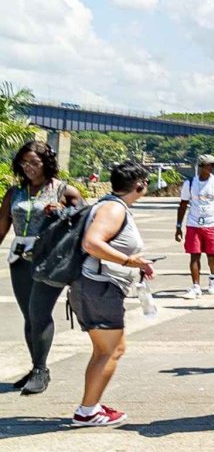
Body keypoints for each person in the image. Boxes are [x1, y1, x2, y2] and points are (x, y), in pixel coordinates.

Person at [68, 160, 153, 426]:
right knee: (111, 350)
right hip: (99, 287)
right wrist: (129, 262)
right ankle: (87, 410)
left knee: (105, 350)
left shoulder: (110, 205)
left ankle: (91, 405)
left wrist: (134, 263)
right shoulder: (114, 209)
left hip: (95, 286)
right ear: (139, 185)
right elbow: (92, 243)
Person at [0, 140, 83, 395]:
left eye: (34, 163)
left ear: (46, 163)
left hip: (49, 260)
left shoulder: (64, 191)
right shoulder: (14, 192)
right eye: (24, 163)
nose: (29, 168)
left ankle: (40, 370)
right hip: (19, 259)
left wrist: (63, 211)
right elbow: (1, 226)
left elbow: (84, 221)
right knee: (29, 316)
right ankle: (35, 365)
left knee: (39, 314)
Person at [176, 153, 214, 297]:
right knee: (194, 255)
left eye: (212, 165)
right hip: (194, 223)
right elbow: (183, 204)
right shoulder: (190, 183)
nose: (212, 167)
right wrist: (178, 226)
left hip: (212, 222)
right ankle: (195, 286)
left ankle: (213, 279)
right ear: (201, 167)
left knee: (212, 254)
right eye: (209, 165)